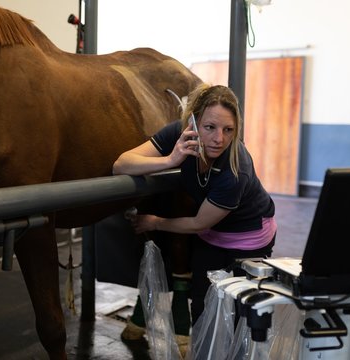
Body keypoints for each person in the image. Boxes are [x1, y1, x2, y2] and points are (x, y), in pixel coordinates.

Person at [112, 83, 277, 325]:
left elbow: (198, 223)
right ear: (193, 122)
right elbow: (121, 164)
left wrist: (156, 222)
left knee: (243, 314)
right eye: (210, 127)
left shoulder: (235, 170)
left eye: (228, 130)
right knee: (201, 304)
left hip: (249, 236)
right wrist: (170, 160)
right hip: (212, 234)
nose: (219, 139)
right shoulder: (178, 135)